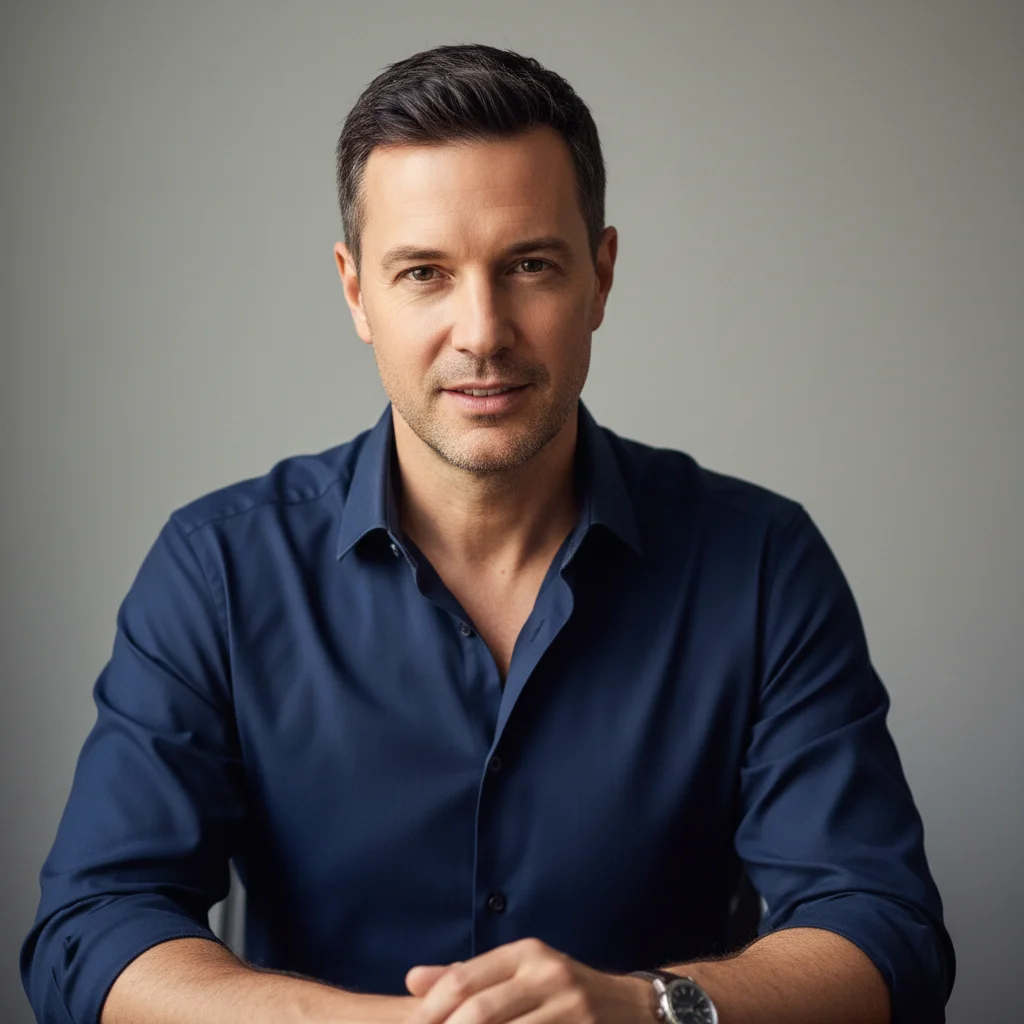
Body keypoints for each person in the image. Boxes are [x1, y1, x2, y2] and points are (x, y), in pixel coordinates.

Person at [21, 43, 954, 1024]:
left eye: (530, 265)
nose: (482, 329)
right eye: (424, 272)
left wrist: (648, 1010)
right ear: (355, 293)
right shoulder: (216, 569)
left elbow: (881, 930)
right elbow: (94, 926)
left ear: (600, 276)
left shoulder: (762, 564)